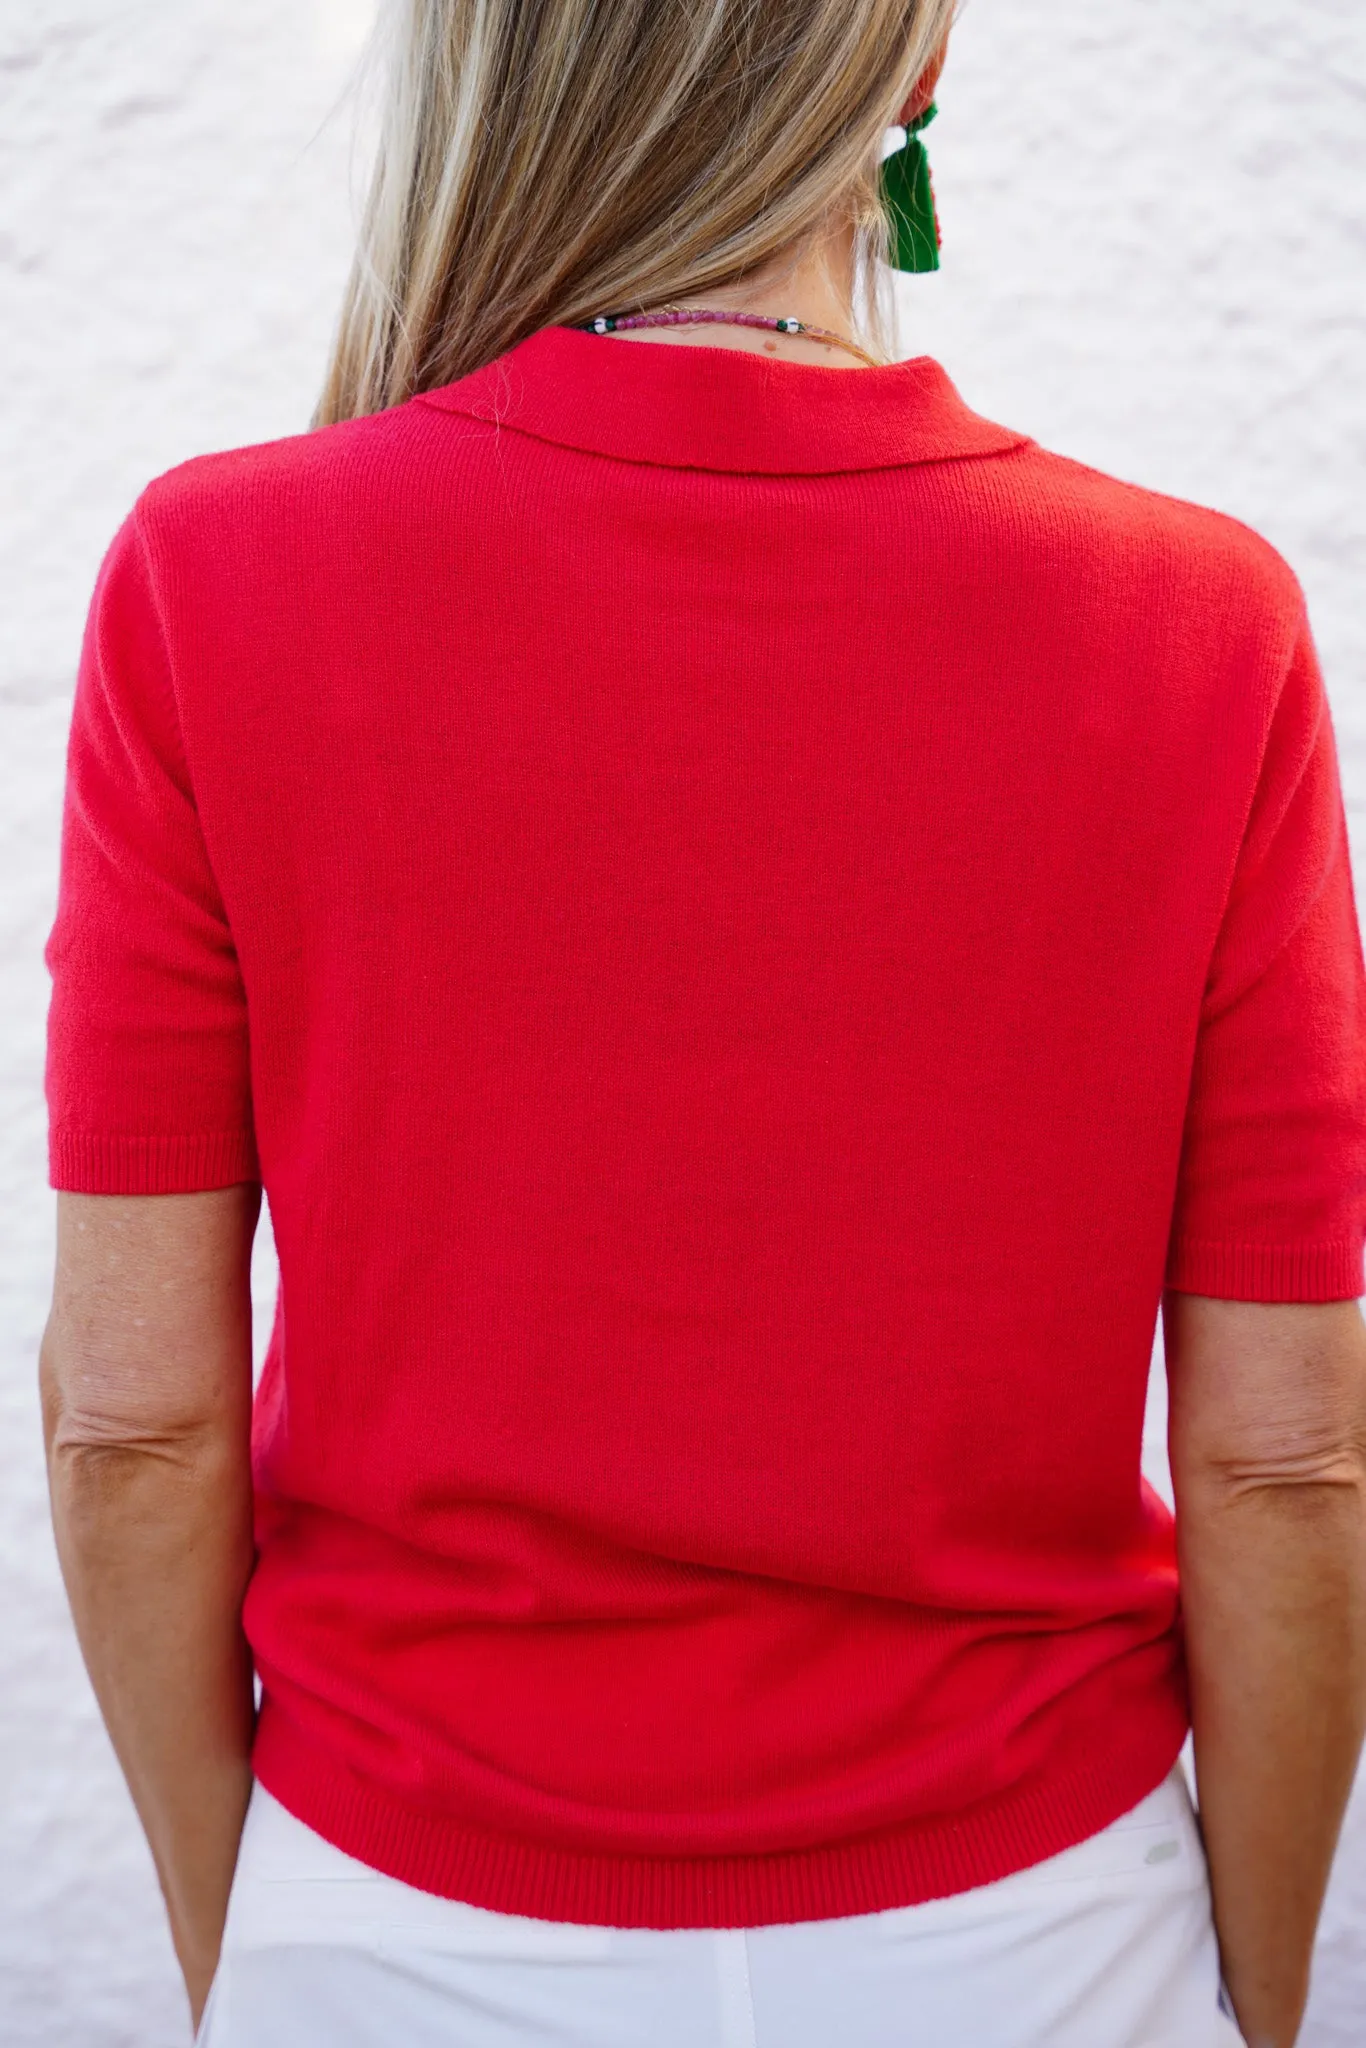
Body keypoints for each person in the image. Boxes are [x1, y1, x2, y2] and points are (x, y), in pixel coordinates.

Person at [38, 2, 1366, 2044]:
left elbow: (133, 1421)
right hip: (1032, 1936)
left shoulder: (212, 583)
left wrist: (281, 1935)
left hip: (396, 1921)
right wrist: (1250, 1997)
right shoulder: (1193, 627)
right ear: (911, 71)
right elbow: (1286, 1463)